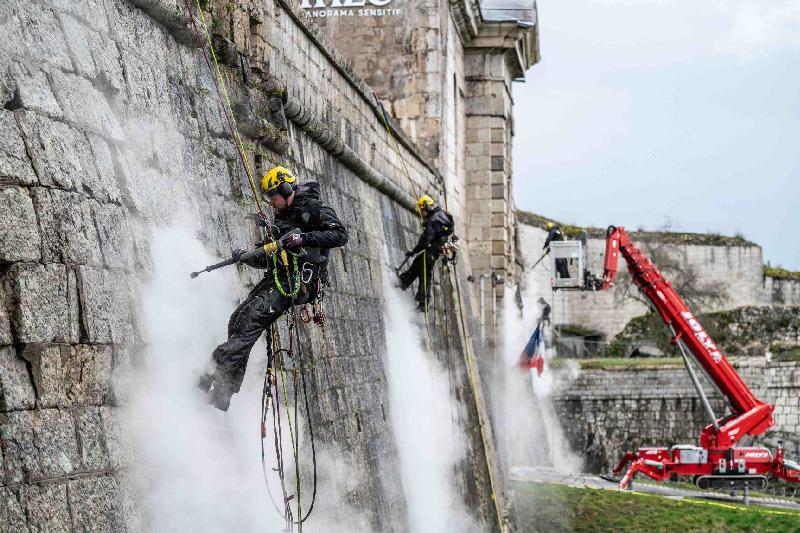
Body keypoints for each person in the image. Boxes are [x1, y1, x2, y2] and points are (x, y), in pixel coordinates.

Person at [199, 166, 348, 411]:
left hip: (299, 283)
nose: (271, 202)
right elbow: (268, 257)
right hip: (279, 278)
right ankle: (224, 392)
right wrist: (246, 256)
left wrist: (304, 239)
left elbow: (340, 235)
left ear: (286, 189)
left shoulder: (313, 209)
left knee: (251, 319)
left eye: (273, 196)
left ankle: (206, 376)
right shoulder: (281, 219)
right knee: (237, 320)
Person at [398, 194, 454, 311]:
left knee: (423, 272)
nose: (421, 214)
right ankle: (404, 283)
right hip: (435, 251)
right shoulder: (441, 216)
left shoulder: (433, 219)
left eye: (422, 210)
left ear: (426, 207)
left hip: (432, 251)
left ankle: (420, 300)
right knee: (420, 268)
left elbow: (426, 239)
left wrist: (414, 251)